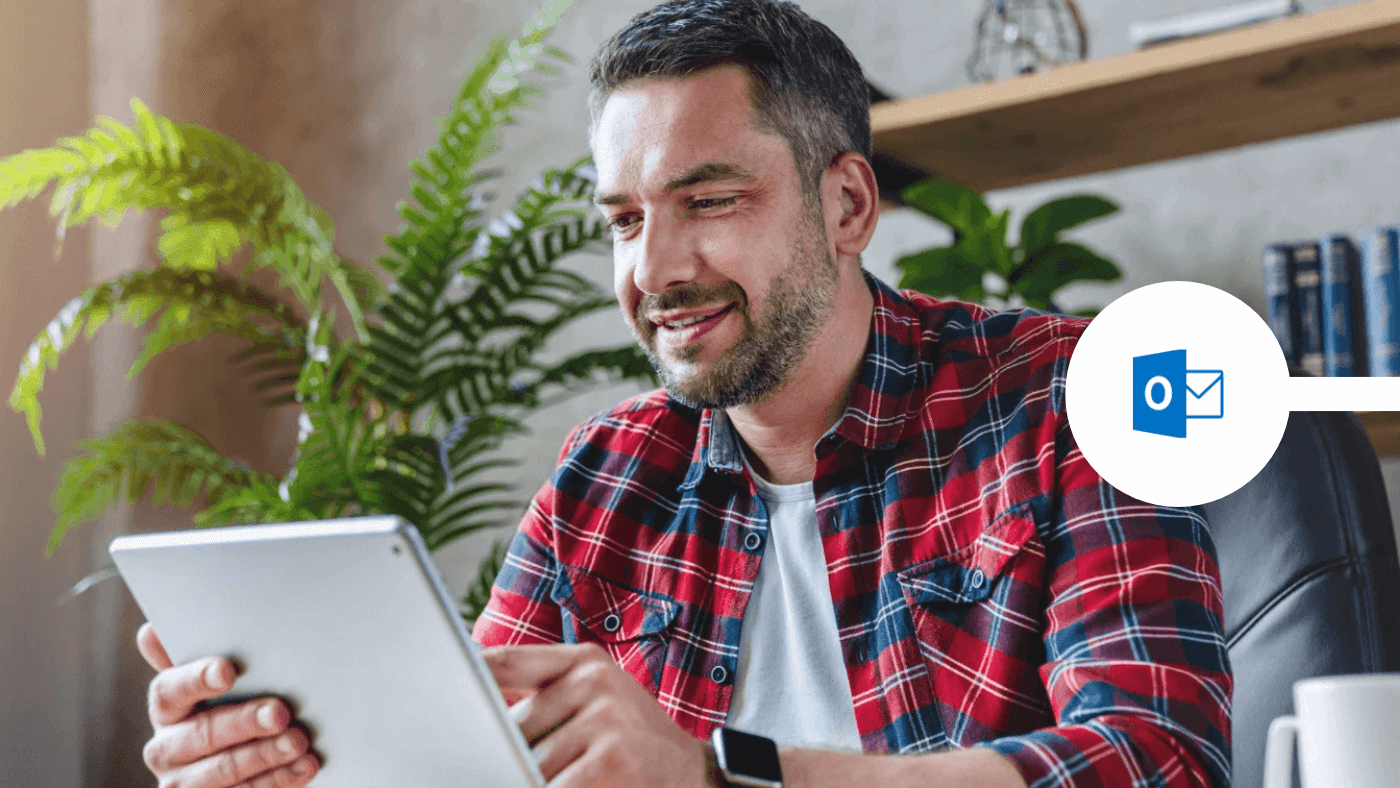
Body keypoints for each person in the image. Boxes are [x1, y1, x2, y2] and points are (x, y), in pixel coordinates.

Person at [135, 1, 1233, 786]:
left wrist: (719, 777)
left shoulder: (1073, 395)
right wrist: (302, 759)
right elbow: (477, 751)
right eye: (622, 219)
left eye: (706, 198)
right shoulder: (601, 480)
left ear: (846, 204)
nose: (651, 271)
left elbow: (1154, 755)